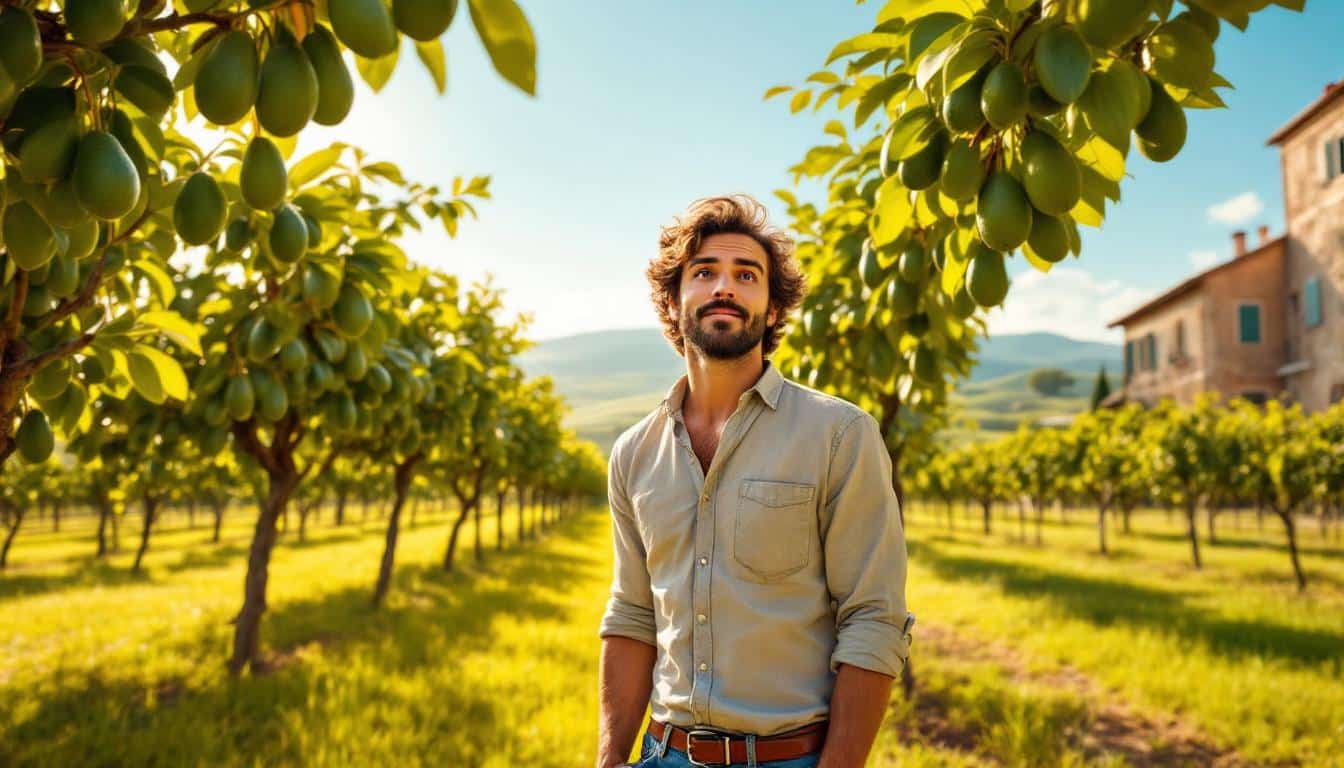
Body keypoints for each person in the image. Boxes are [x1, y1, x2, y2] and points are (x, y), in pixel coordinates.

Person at [594, 195, 914, 768]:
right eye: (704, 272)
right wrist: (610, 756)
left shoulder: (840, 435)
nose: (726, 287)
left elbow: (872, 617)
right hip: (661, 754)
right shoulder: (633, 455)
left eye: (747, 275)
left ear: (771, 309)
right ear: (674, 300)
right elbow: (633, 614)